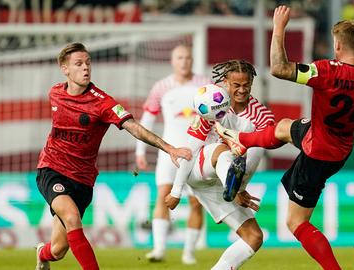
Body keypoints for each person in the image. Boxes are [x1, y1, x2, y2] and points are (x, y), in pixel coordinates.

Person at [215, 6, 354, 270]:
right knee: (284, 127)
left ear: (338, 44)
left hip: (318, 153)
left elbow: (278, 68)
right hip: (338, 146)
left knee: (296, 223)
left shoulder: (324, 71)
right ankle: (242, 139)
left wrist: (279, 28)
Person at [35, 42, 192, 270]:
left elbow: (134, 127)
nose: (86, 68)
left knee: (59, 249)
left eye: (88, 63)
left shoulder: (103, 102)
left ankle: (43, 253)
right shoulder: (55, 93)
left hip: (82, 179)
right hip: (52, 169)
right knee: (71, 218)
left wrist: (169, 148)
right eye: (78, 64)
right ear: (65, 68)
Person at [165, 59, 275, 269]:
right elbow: (190, 150)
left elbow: (255, 157)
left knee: (254, 237)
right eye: (236, 85)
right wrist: (176, 191)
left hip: (225, 186)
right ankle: (231, 183)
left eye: (246, 85)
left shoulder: (262, 116)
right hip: (200, 169)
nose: (242, 90)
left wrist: (240, 188)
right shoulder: (212, 103)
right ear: (225, 82)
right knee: (223, 151)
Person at [135, 44, 211, 264]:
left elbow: (217, 117)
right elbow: (147, 118)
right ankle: (159, 249)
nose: (184, 61)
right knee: (163, 195)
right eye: (180, 57)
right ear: (172, 61)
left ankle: (189, 253)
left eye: (187, 57)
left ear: (192, 60)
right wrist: (140, 150)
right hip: (169, 152)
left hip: (198, 153)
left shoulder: (205, 85)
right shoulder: (161, 87)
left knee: (196, 202)